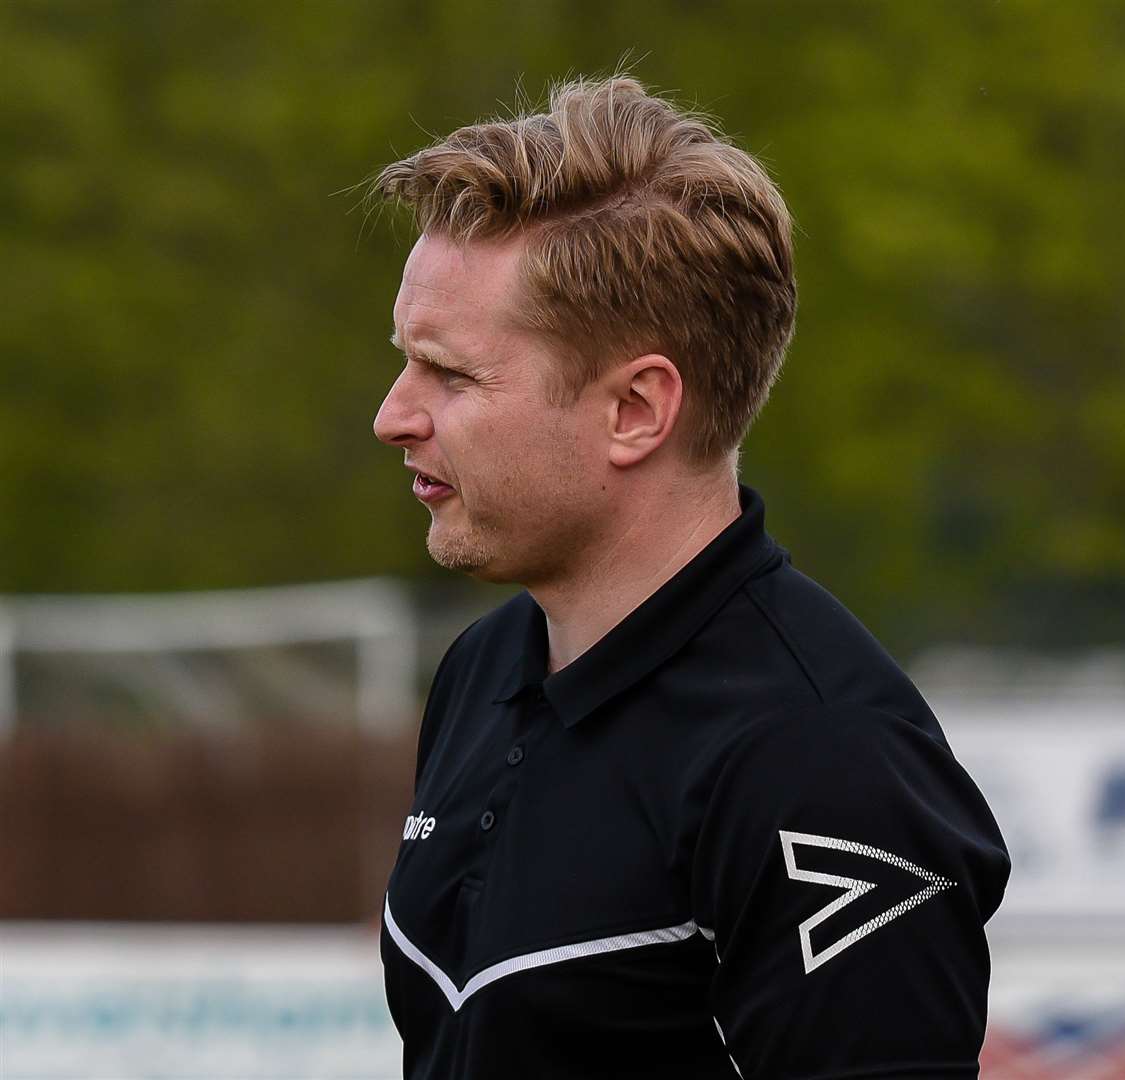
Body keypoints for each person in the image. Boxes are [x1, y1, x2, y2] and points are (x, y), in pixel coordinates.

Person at [371, 75, 1009, 1079]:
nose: (393, 414)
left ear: (635, 410)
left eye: (451, 376)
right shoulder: (482, 671)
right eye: (406, 363)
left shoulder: (822, 763)